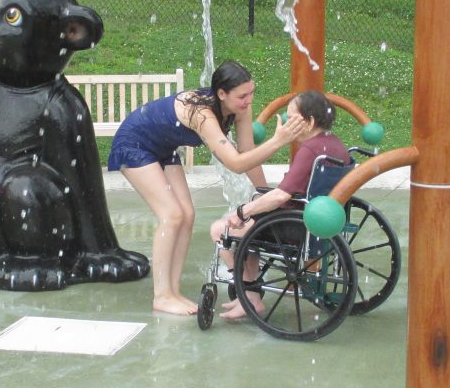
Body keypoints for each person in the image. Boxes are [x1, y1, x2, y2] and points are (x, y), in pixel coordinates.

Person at [108, 60, 307, 316]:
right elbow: (235, 163)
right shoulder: (201, 114)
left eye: (251, 93)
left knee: (187, 215)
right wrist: (278, 141)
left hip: (163, 148)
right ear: (222, 94)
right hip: (134, 144)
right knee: (172, 215)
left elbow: (247, 152)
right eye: (242, 96)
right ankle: (162, 296)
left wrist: (265, 194)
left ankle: (173, 291)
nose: (249, 100)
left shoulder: (240, 108)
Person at [208, 89, 348, 320]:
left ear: (309, 122)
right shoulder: (334, 145)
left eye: (290, 118)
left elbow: (281, 196)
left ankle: (248, 295)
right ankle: (250, 296)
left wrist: (242, 211)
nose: (284, 124)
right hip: (312, 223)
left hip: (292, 227)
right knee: (250, 230)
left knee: (219, 230)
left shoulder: (310, 150)